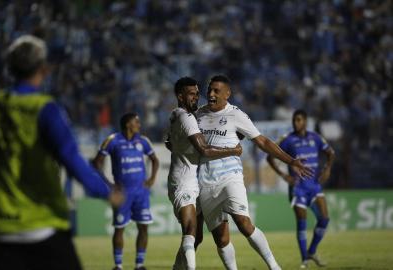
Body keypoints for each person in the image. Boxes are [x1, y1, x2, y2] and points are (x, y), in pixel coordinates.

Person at [0, 35, 124, 270]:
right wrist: (105, 191)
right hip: (42, 224)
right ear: (44, 69)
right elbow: (70, 156)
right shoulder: (45, 108)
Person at [195, 75, 313, 270]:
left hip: (230, 177)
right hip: (205, 182)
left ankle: (274, 266)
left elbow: (263, 142)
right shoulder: (199, 115)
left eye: (216, 90)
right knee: (221, 238)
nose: (211, 94)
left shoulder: (236, 115)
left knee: (243, 223)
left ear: (227, 94)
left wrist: (292, 161)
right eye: (209, 90)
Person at [167, 77, 242, 270]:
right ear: (180, 96)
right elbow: (205, 150)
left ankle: (177, 268)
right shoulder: (187, 117)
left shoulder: (176, 115)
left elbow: (170, 143)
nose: (196, 98)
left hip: (191, 181)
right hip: (183, 183)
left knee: (196, 236)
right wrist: (233, 150)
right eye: (191, 94)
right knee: (190, 232)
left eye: (197, 94)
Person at [266, 109, 335, 269]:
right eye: (294, 120)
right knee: (302, 223)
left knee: (324, 219)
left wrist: (327, 169)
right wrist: (283, 175)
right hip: (298, 188)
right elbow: (270, 156)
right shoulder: (288, 140)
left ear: (305, 121)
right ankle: (304, 260)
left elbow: (331, 153)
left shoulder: (315, 138)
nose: (295, 123)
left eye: (298, 120)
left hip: (314, 186)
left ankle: (311, 251)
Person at [93, 113, 159, 270]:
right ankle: (118, 265)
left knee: (143, 226)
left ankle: (139, 264)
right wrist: (108, 184)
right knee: (119, 227)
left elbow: (155, 160)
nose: (139, 124)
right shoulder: (113, 140)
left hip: (141, 193)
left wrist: (151, 179)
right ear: (128, 124)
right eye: (136, 121)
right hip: (122, 194)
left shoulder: (143, 141)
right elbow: (97, 163)